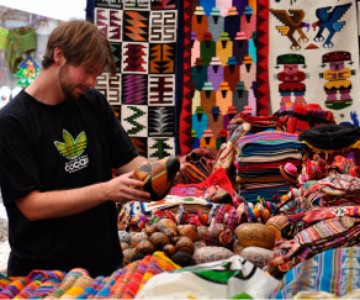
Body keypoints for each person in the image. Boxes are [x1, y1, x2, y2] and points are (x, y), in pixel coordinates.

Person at [0, 19, 152, 277]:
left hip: (103, 269)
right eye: (87, 70)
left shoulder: (93, 103)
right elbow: (32, 206)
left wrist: (161, 171)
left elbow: (130, 162)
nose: (92, 81)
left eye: (97, 74)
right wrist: (106, 190)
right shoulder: (12, 122)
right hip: (42, 277)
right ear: (58, 55)